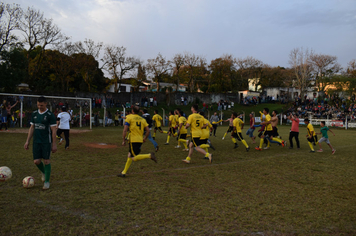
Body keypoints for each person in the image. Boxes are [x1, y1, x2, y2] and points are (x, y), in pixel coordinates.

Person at [24, 96, 57, 190]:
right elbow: (32, 128)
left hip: (46, 142)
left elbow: (53, 131)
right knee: (36, 161)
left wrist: (54, 144)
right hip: (36, 142)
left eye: (41, 105)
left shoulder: (50, 115)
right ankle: (43, 172)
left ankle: (47, 182)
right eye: (38, 105)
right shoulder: (34, 114)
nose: (39, 107)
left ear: (46, 104)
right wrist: (27, 141)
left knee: (46, 161)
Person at [118, 106, 157, 177]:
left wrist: (123, 140)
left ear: (132, 111)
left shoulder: (129, 117)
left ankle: (149, 155)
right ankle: (123, 172)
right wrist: (145, 138)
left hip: (133, 140)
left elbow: (125, 130)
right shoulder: (142, 119)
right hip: (140, 139)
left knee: (133, 158)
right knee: (129, 155)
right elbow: (148, 130)